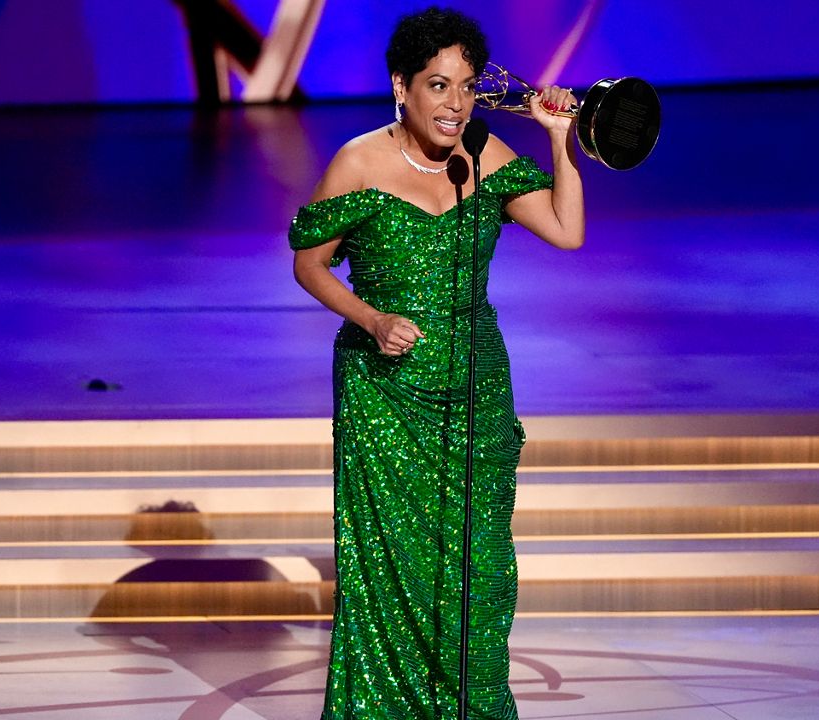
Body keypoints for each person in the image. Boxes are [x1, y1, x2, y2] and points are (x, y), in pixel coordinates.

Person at [289, 6, 584, 718]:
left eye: (467, 87)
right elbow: (309, 265)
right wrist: (372, 317)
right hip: (385, 393)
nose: (456, 104)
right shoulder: (359, 161)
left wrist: (559, 140)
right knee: (395, 571)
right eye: (438, 86)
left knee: (480, 570)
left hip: (476, 384)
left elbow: (568, 232)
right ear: (402, 86)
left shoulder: (486, 158)